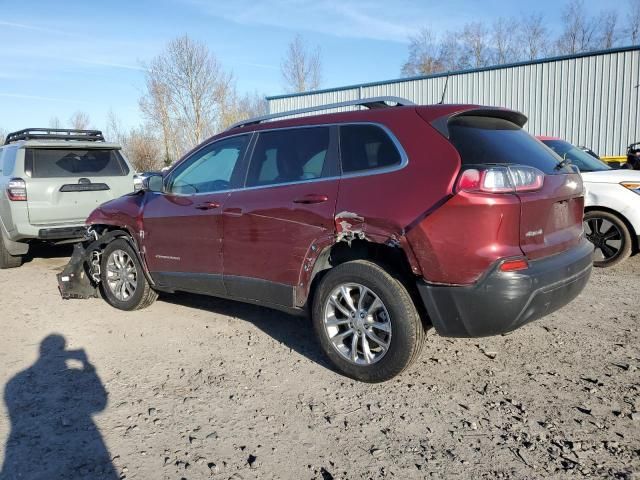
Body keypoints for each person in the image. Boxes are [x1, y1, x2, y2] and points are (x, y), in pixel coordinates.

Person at [1, 335, 117, 479]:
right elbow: (100, 405)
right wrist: (87, 365)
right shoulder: (74, 373)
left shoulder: (15, 381)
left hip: (20, 458)